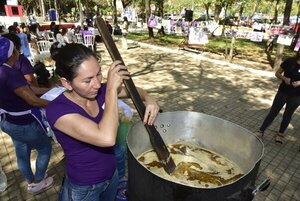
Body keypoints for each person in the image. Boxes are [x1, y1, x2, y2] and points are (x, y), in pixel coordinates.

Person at [46, 43, 159, 201]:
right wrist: (112, 90)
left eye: (99, 74)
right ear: (66, 83)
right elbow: (106, 138)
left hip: (111, 176)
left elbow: (136, 92)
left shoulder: (98, 91)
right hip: (84, 188)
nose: (97, 84)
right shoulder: (57, 110)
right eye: (88, 80)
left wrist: (149, 99)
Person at [0, 37, 54, 194]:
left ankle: (30, 181)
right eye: (16, 49)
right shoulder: (10, 73)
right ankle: (38, 181)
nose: (19, 52)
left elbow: (26, 90)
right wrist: (54, 104)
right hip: (24, 123)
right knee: (44, 148)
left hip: (8, 121)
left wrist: (52, 90)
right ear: (12, 54)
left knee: (21, 150)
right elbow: (32, 100)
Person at [257, 51, 300, 144]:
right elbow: (277, 73)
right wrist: (284, 78)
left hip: (297, 96)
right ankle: (261, 131)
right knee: (273, 112)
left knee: (288, 115)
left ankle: (280, 134)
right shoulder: (290, 61)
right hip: (283, 92)